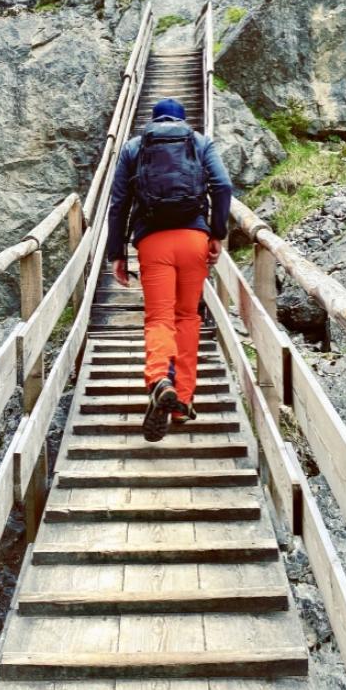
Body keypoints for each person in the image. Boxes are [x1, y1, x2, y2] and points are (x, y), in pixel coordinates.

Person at [107, 96, 233, 440]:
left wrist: (116, 252)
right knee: (187, 317)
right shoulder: (199, 142)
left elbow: (119, 203)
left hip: (153, 242)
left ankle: (160, 379)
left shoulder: (134, 147)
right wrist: (217, 233)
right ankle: (183, 401)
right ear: (182, 120)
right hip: (194, 239)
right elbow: (223, 186)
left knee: (159, 318)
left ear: (153, 120)